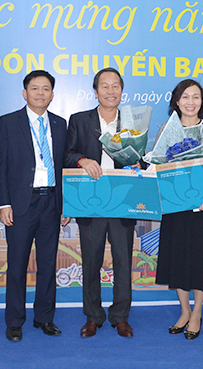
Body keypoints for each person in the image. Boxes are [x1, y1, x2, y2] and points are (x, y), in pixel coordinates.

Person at [64, 67, 135, 338]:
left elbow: (139, 157)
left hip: (122, 201)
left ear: (121, 90)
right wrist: (83, 160)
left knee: (123, 263)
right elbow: (67, 154)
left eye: (115, 86)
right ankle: (93, 316)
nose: (110, 91)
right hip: (90, 202)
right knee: (91, 262)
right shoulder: (80, 120)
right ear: (95, 91)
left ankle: (121, 317)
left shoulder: (131, 121)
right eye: (104, 86)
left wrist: (137, 163)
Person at [0, 70, 67, 342]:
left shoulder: (60, 125)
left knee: (48, 264)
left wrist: (65, 206)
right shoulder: (8, 122)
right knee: (17, 265)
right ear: (24, 93)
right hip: (20, 203)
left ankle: (44, 318)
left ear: (52, 94)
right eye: (35, 88)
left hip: (51, 201)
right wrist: (3, 203)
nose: (40, 93)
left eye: (46, 88)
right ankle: (14, 321)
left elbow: (65, 168)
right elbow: (0, 167)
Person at [154, 79, 203, 340]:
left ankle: (197, 313)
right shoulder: (166, 128)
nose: (190, 102)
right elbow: (158, 165)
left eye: (196, 97)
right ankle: (184, 311)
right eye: (185, 97)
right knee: (177, 259)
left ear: (202, 101)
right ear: (177, 101)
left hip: (202, 207)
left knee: (200, 260)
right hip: (175, 205)